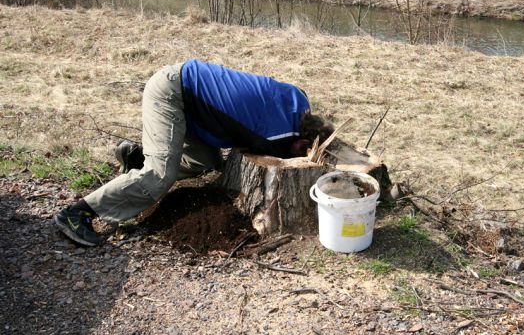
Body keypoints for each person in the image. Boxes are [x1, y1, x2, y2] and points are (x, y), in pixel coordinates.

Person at [54, 59, 333, 247]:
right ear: (301, 143)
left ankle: (137, 158)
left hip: (192, 97)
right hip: (173, 93)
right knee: (159, 176)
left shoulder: (300, 101)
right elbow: (261, 162)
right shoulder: (276, 136)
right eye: (304, 152)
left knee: (205, 160)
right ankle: (78, 213)